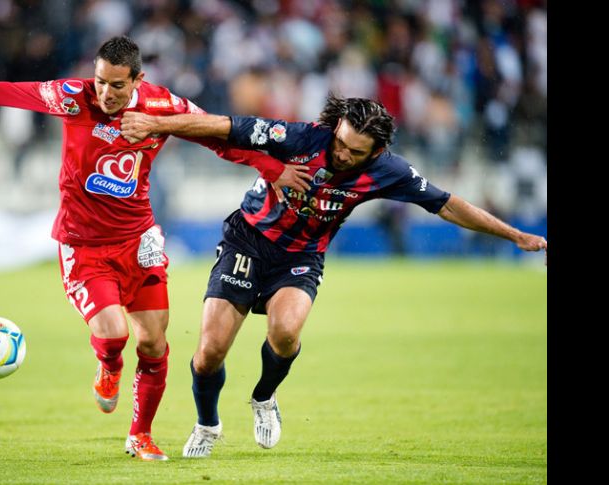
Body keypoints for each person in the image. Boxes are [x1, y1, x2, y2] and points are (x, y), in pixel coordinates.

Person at [0, 35, 311, 461]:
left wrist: (271, 168)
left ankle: (140, 435)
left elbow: (218, 136)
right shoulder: (72, 98)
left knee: (155, 344)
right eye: (101, 81)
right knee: (116, 333)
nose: (106, 93)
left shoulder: (162, 107)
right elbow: (9, 91)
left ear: (139, 78)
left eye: (117, 85)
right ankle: (109, 366)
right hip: (83, 246)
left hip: (139, 242)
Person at [120, 95, 547, 457]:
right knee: (210, 350)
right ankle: (208, 424)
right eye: (340, 143)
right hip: (247, 241)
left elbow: (447, 203)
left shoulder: (389, 171)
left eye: (353, 151)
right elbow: (222, 126)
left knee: (286, 333)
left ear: (376, 151)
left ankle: (264, 396)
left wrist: (514, 235)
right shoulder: (302, 138)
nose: (341, 154)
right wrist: (157, 122)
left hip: (301, 256)